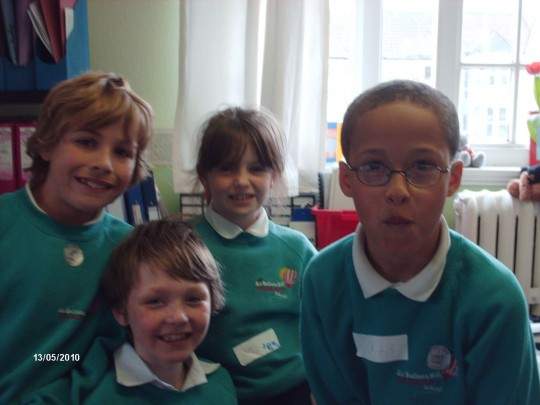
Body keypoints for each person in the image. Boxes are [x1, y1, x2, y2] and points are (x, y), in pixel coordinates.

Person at [301, 80, 540, 404]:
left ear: (453, 178)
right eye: (373, 167)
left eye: (423, 166)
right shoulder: (323, 280)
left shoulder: (495, 299)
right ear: (346, 179)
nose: (397, 191)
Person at [0, 71, 153, 403]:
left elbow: (119, 351)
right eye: (86, 142)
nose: (103, 163)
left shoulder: (131, 250)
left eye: (122, 152)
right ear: (46, 144)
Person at [23, 219, 238, 404]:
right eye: (155, 302)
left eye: (193, 299)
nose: (178, 317)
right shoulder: (86, 392)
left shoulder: (221, 384)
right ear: (121, 312)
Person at [193, 107, 317, 404]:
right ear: (204, 176)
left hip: (294, 390)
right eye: (226, 168)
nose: (241, 180)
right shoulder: (181, 246)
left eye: (257, 168)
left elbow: (326, 324)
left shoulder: (297, 249)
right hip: (212, 393)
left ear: (274, 176)